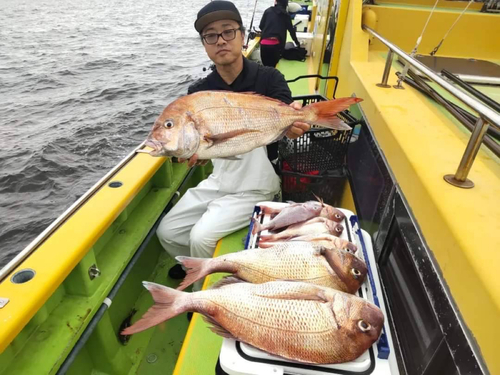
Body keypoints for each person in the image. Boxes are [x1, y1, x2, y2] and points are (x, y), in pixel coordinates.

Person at [156, 0, 309, 290]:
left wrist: (293, 124)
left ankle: (211, 293)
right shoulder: (198, 92)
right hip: (220, 179)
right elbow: (193, 144)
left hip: (258, 183)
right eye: (210, 35)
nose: (221, 40)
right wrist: (194, 153)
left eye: (228, 31)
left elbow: (287, 115)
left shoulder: (268, 78)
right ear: (204, 44)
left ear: (242, 35)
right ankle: (193, 264)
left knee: (202, 236)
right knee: (168, 231)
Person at [259, 0, 301, 67]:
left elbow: (261, 26)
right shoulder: (286, 15)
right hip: (275, 46)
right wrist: (297, 43)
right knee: (272, 68)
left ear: (275, 2)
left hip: (264, 44)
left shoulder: (267, 11)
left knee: (265, 67)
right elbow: (291, 31)